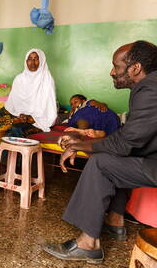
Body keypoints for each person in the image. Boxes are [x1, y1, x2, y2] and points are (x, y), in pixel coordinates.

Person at [43, 40, 157, 264]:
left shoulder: (150, 89)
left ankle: (88, 245)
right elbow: (132, 137)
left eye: (116, 66)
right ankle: (115, 222)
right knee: (113, 156)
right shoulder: (149, 85)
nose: (112, 72)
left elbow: (125, 142)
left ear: (135, 68)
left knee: (100, 163)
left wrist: (77, 145)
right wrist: (83, 140)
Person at [0, 49, 57, 161]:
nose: (32, 62)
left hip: (36, 121)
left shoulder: (47, 80)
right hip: (15, 116)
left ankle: (8, 165)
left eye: (36, 59)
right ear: (25, 61)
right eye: (29, 59)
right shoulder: (19, 79)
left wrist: (31, 118)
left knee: (14, 130)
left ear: (42, 60)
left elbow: (49, 109)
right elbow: (12, 103)